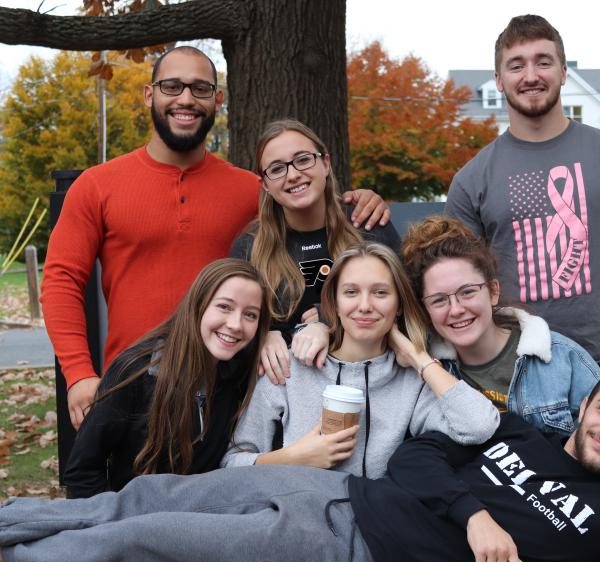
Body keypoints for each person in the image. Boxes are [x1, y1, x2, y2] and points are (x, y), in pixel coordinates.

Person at [41, 46, 390, 430]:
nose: (186, 99)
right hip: (132, 385)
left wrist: (359, 201)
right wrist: (78, 373)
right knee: (128, 490)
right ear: (148, 94)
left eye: (200, 89)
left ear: (217, 100)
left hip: (228, 391)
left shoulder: (251, 189)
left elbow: (306, 212)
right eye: (171, 86)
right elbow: (61, 282)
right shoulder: (97, 185)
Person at [2, 383, 600, 562]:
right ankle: (10, 523)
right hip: (333, 490)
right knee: (150, 494)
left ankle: (22, 557)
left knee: (149, 537)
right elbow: (419, 456)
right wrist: (473, 515)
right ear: (587, 404)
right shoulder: (519, 430)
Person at [222, 241, 499, 478]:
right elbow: (232, 463)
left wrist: (417, 356)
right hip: (295, 519)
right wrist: (293, 457)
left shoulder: (410, 380)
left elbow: (478, 426)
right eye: (351, 292)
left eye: (380, 293)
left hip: (374, 526)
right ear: (335, 302)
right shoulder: (291, 365)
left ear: (399, 304)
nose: (364, 306)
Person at [445, 14, 600, 364]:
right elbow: (455, 284)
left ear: (563, 71)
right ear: (499, 80)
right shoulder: (471, 181)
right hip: (516, 372)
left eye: (543, 62)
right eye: (516, 66)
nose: (531, 76)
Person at [63, 258, 271, 499]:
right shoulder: (137, 370)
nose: (236, 324)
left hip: (206, 520)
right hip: (133, 521)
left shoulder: (241, 372)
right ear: (199, 304)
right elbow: (82, 472)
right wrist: (111, 525)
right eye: (224, 307)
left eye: (250, 315)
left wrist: (279, 334)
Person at [231, 119, 401, 384]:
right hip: (285, 392)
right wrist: (263, 334)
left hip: (370, 382)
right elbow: (233, 321)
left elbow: (405, 307)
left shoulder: (366, 225)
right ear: (265, 184)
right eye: (277, 169)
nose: (293, 174)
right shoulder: (250, 246)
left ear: (326, 163)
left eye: (303, 159)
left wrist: (329, 320)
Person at [401, 215, 600, 434]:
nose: (456, 309)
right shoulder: (425, 374)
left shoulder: (564, 359)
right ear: (425, 309)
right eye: (439, 300)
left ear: (493, 291)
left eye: (467, 292)